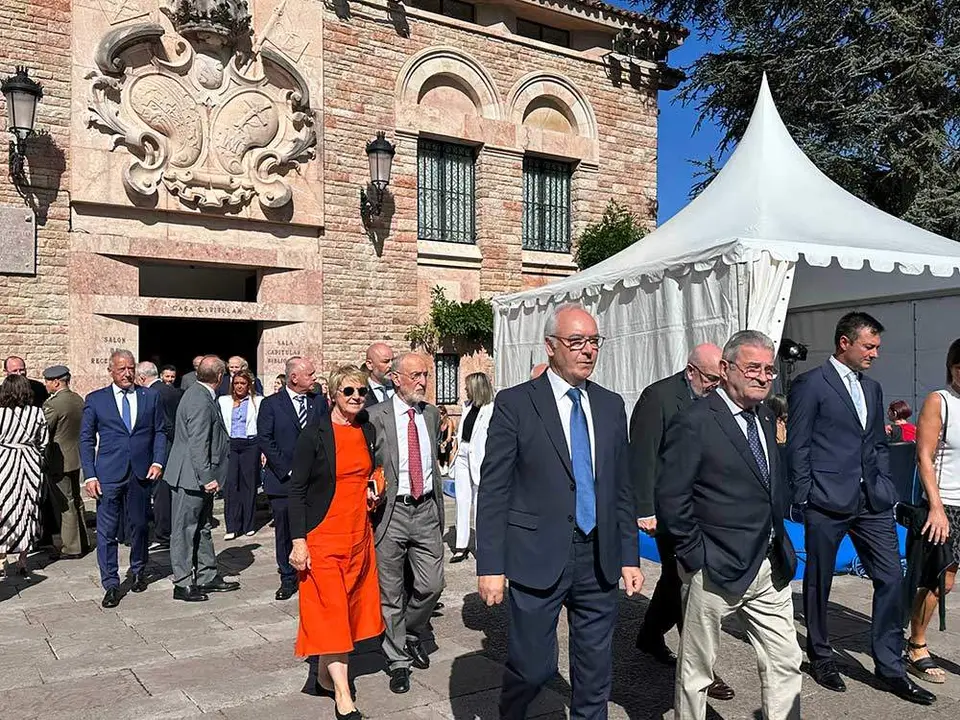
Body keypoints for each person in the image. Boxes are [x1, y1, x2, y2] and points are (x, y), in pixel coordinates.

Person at [476, 304, 642, 720]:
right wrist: (491, 564)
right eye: (576, 342)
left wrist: (628, 556)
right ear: (551, 346)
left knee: (594, 672)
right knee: (532, 667)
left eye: (593, 342)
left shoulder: (609, 405)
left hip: (597, 557)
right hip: (537, 554)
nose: (588, 351)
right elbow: (495, 489)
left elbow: (620, 487)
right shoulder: (516, 403)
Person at [788, 312, 935, 705]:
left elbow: (876, 444)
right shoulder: (810, 384)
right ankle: (820, 656)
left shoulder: (872, 388)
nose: (874, 353)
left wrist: (884, 485)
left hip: (872, 501)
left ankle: (890, 667)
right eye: (869, 346)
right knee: (819, 582)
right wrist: (805, 494)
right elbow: (797, 444)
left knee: (891, 576)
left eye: (877, 347)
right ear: (844, 343)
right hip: (826, 499)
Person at [657, 331, 802, 720]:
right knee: (697, 672)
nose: (762, 376)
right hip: (714, 568)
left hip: (769, 567)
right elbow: (672, 496)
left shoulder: (766, 417)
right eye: (752, 367)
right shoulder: (695, 421)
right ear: (725, 369)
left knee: (787, 660)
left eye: (769, 369)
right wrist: (694, 556)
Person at [629, 344, 734, 699]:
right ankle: (702, 669)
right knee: (693, 582)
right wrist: (644, 508)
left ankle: (650, 632)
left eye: (720, 379)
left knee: (677, 579)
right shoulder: (659, 398)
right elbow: (642, 455)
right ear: (691, 371)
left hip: (705, 506)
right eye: (709, 378)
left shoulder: (715, 399)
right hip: (670, 507)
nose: (715, 385)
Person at [289, 365, 384, 720]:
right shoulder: (313, 434)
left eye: (361, 391)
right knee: (331, 615)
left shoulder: (367, 430)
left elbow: (366, 475)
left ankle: (323, 678)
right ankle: (344, 696)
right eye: (348, 391)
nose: (357, 397)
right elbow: (296, 490)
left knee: (347, 612)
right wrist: (299, 542)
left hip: (359, 535)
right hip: (323, 536)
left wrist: (374, 490)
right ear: (332, 394)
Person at [367, 352, 444, 694]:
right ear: (395, 379)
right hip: (390, 513)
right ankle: (398, 660)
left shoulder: (430, 414)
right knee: (391, 591)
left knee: (431, 585)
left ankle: (411, 632)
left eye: (425, 375)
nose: (423, 382)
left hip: (426, 509)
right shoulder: (374, 417)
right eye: (415, 375)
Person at [80, 350, 166, 608]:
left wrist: (158, 460)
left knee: (140, 525)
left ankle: (139, 568)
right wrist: (90, 475)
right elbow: (85, 439)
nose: (128, 373)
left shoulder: (150, 396)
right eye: (121, 369)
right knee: (106, 531)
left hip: (140, 473)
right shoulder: (96, 400)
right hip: (108, 474)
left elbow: (160, 431)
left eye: (131, 368)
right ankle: (111, 583)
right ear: (111, 371)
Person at [904, 339, 960, 683]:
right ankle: (917, 644)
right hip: (946, 503)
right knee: (942, 581)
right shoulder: (940, 402)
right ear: (952, 367)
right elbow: (923, 456)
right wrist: (936, 508)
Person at [165, 355, 240, 602]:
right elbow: (198, 442)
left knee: (203, 527)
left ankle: (207, 575)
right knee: (185, 529)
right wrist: (207, 476)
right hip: (191, 476)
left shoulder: (202, 394)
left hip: (197, 476)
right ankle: (183, 582)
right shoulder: (199, 398)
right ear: (220, 377)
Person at [259, 356, 328, 600]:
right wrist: (288, 469)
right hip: (283, 481)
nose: (314, 378)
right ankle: (287, 577)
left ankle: (313, 573)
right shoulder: (271, 404)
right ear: (294, 377)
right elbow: (266, 439)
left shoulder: (318, 402)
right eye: (310, 374)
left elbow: (325, 436)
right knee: (286, 531)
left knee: (313, 528)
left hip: (313, 480)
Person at [0, 375, 48, 577]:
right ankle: (22, 560)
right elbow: (43, 441)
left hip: (4, 461)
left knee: (4, 508)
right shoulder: (37, 412)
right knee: (28, 508)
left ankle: (1, 559)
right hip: (30, 462)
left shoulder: (0, 414)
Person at [41, 365, 90, 559]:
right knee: (76, 500)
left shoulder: (53, 404)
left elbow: (44, 430)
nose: (46, 385)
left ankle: (71, 547)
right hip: (76, 456)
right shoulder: (78, 399)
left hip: (59, 459)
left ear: (56, 382)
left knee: (64, 503)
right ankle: (82, 541)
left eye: (47, 381)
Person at [137, 361, 181, 550]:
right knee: (168, 491)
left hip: (164, 447)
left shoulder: (153, 394)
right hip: (174, 446)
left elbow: (165, 425)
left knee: (161, 492)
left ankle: (163, 534)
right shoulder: (173, 391)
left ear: (141, 377)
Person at [450, 372, 494, 562]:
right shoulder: (466, 406)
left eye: (468, 386)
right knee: (461, 499)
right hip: (462, 455)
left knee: (480, 503)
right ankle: (461, 545)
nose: (465, 389)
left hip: (480, 458)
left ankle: (482, 546)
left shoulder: (492, 409)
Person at [218, 369, 261, 539]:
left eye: (243, 383)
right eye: (236, 383)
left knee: (248, 484)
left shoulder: (257, 401)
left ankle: (248, 524)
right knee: (231, 485)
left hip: (250, 444)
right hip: (231, 444)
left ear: (248, 385)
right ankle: (232, 526)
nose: (239, 387)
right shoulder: (224, 401)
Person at [363, 342, 395, 408]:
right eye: (385, 361)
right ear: (369, 364)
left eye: (392, 361)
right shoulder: (362, 392)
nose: (391, 365)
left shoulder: (400, 388)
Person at [437, 405, 456, 476]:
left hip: (446, 441)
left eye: (442, 413)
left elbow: (449, 437)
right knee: (435, 445)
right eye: (438, 413)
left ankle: (445, 465)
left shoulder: (449, 422)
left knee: (448, 445)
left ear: (445, 414)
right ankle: (439, 466)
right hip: (438, 441)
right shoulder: (436, 422)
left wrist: (445, 442)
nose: (440, 415)